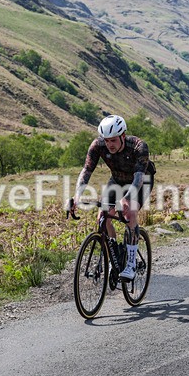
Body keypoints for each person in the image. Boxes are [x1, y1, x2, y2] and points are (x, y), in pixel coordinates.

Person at [70, 115, 156, 280]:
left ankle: (130, 264)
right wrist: (77, 196)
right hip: (117, 180)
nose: (109, 145)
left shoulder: (139, 146)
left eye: (114, 140)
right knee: (102, 217)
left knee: (130, 213)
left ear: (123, 136)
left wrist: (127, 198)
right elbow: (87, 170)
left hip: (141, 179)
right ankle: (115, 255)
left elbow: (138, 178)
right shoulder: (98, 145)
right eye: (106, 140)